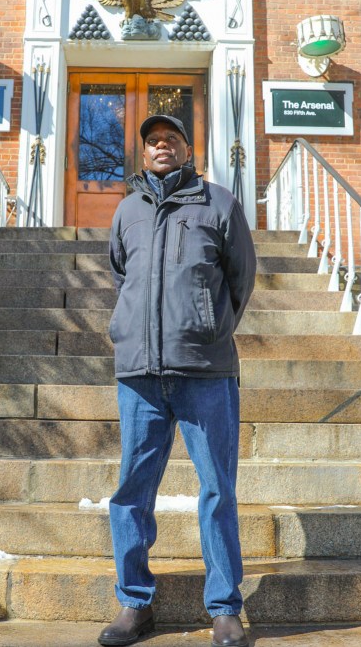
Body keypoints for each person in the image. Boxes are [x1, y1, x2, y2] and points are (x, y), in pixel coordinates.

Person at [99, 114, 256, 647]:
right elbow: (121, 273)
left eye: (170, 138)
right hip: (139, 374)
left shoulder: (220, 204)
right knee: (132, 492)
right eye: (152, 141)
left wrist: (205, 329)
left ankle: (224, 608)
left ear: (188, 149)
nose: (160, 145)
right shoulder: (127, 210)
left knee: (216, 489)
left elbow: (240, 279)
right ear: (144, 154)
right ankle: (133, 603)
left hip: (205, 372)